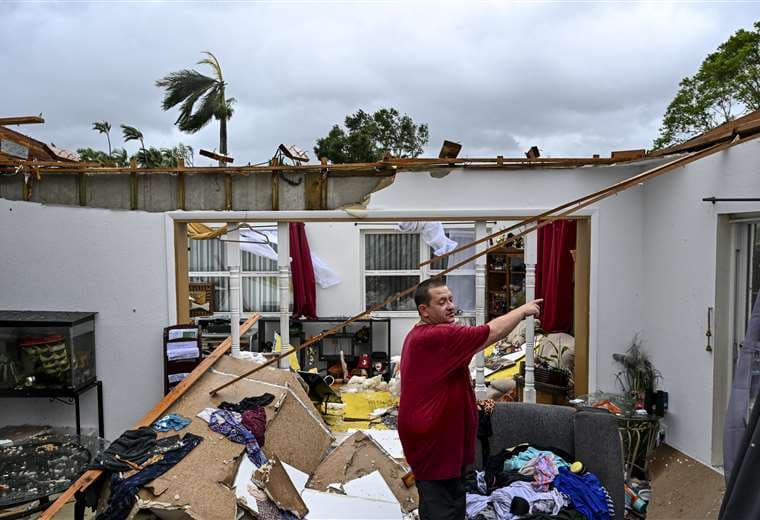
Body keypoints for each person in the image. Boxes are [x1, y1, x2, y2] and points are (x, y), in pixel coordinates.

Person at [398, 277, 542, 520]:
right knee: (441, 508)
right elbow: (491, 332)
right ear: (424, 310)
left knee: (452, 502)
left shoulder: (429, 335)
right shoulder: (436, 336)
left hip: (443, 439)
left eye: (451, 299)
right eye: (441, 302)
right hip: (433, 441)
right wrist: (522, 311)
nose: (450, 306)